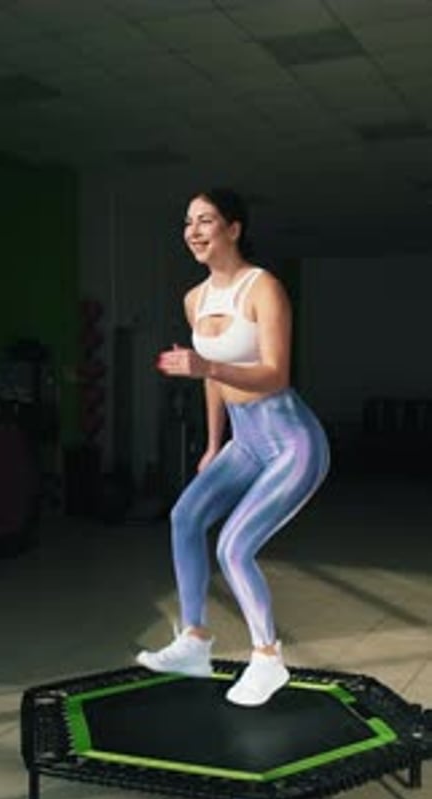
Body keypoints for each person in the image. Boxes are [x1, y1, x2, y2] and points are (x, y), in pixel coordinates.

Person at [136, 188, 330, 707]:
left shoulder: (263, 288)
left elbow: (275, 374)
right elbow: (211, 378)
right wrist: (213, 442)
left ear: (234, 228)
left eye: (206, 220)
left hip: (293, 443)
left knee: (234, 546)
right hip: (244, 440)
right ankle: (195, 641)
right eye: (187, 223)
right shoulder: (194, 299)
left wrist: (208, 367)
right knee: (185, 517)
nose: (193, 231)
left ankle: (268, 658)